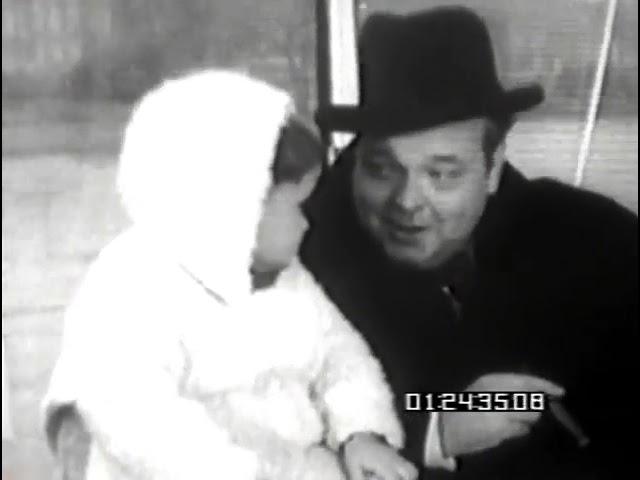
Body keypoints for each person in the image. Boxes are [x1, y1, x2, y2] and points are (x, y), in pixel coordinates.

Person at [302, 7, 638, 480]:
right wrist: (436, 426)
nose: (407, 201)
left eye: (441, 174)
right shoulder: (294, 259)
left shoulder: (604, 245)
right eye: (381, 168)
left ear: (494, 164)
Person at [43, 70, 418, 480]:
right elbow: (135, 412)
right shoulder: (133, 286)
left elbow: (342, 357)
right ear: (239, 207)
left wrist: (360, 431)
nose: (309, 225)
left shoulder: (291, 282)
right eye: (298, 208)